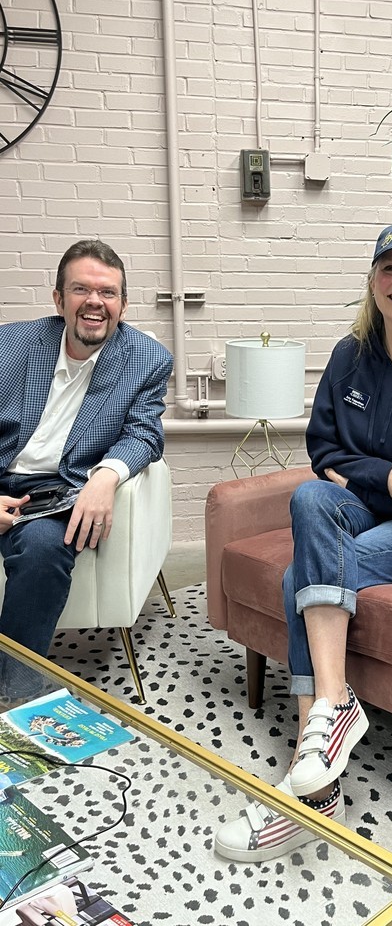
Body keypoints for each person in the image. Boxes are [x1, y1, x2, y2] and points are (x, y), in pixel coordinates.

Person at [215, 222, 392, 862]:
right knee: (310, 498)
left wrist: (369, 477)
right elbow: (324, 451)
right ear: (372, 280)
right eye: (391, 269)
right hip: (371, 510)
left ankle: (313, 782)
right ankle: (331, 711)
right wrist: (390, 476)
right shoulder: (350, 355)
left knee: (301, 577)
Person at [0, 239, 173, 698]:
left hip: (58, 490)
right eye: (81, 289)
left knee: (43, 550)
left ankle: (13, 695)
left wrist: (106, 476)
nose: (95, 301)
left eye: (108, 292)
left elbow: (145, 434)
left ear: (123, 304)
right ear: (59, 299)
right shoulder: (9, 345)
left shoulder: (147, 360)